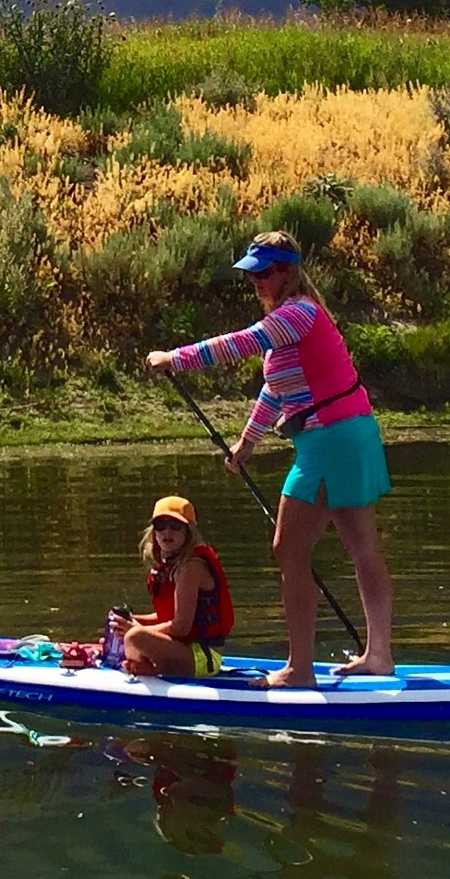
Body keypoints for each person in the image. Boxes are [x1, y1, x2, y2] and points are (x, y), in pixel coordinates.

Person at [145, 230, 394, 686]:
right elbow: (275, 390)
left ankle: (300, 669)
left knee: (288, 550)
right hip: (351, 432)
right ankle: (379, 655)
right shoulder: (294, 319)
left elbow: (239, 343)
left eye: (264, 272)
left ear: (286, 271)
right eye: (252, 273)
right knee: (361, 549)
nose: (256, 281)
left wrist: (174, 358)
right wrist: (248, 443)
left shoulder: (297, 313)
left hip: (330, 440)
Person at [112, 496, 234, 679]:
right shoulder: (172, 564)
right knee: (127, 629)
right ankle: (142, 665)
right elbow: (166, 618)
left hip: (204, 659)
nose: (167, 532)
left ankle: (147, 668)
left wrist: (135, 629)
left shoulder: (191, 566)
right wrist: (130, 620)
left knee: (134, 636)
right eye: (161, 526)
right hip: (183, 649)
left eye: (176, 526)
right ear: (154, 532)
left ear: (188, 532)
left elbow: (181, 628)